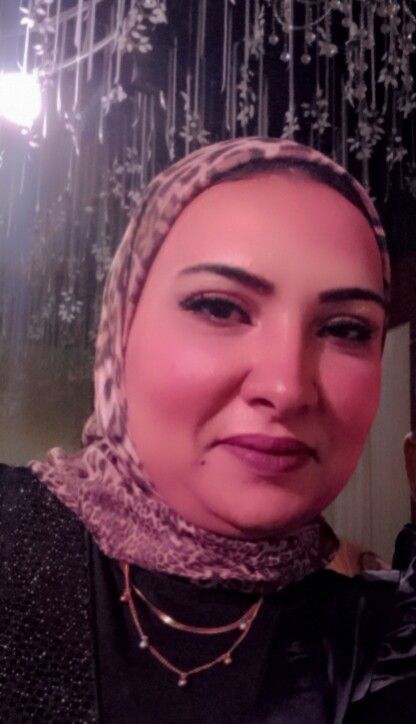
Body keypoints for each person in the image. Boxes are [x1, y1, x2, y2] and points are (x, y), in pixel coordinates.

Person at [1, 137, 416, 723]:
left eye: (346, 328)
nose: (287, 387)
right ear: (122, 332)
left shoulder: (382, 646)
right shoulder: (13, 537)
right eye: (219, 308)